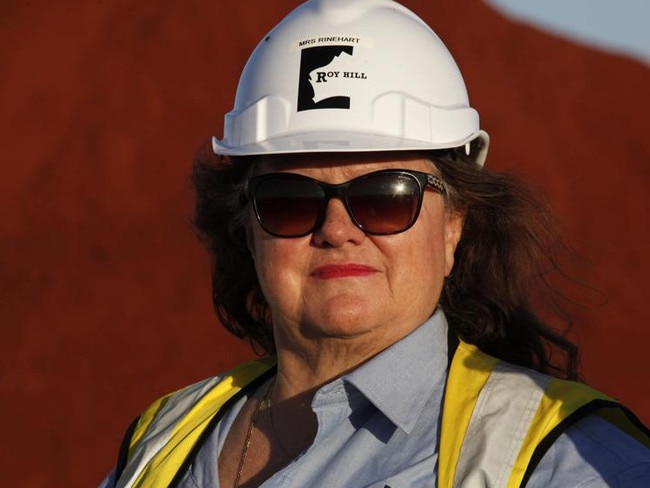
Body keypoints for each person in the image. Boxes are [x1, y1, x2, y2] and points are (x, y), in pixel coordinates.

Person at [101, 0, 650, 486]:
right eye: (289, 199)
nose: (337, 229)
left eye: (385, 197)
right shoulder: (162, 444)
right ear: (247, 228)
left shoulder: (566, 463)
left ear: (454, 222)